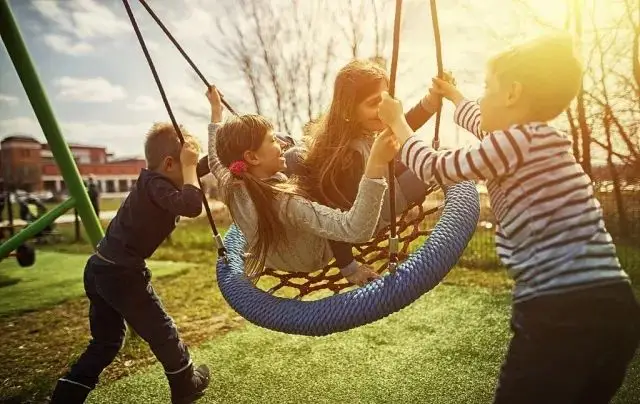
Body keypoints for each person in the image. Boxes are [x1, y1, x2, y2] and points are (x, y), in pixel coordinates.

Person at [377, 32, 640, 404]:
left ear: (513, 94)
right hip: (613, 308)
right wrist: (453, 96)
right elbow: (481, 121)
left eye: (487, 87)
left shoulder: (512, 143)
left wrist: (398, 123)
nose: (481, 97)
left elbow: (437, 168)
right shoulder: (534, 139)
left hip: (559, 310)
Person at [51, 124, 210, 404]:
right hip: (121, 274)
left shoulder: (153, 181)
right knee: (162, 331)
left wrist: (221, 156)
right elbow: (191, 205)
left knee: (106, 342)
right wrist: (191, 165)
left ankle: (67, 394)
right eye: (186, 165)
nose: (191, 172)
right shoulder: (158, 186)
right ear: (170, 163)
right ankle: (186, 385)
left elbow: (191, 177)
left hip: (99, 267)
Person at [206, 86, 398, 284]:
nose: (280, 143)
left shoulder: (230, 180)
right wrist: (375, 165)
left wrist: (215, 110)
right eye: (272, 140)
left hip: (275, 256)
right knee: (303, 160)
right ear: (252, 157)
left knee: (296, 153)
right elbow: (356, 230)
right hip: (310, 256)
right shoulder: (286, 203)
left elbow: (214, 159)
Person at [299, 59, 445, 278]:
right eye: (373, 103)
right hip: (378, 211)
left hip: (390, 184)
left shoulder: (363, 131)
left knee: (429, 155)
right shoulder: (348, 156)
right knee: (438, 164)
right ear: (349, 110)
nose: (382, 109)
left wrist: (431, 102)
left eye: (385, 100)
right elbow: (335, 216)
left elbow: (403, 124)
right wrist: (349, 267)